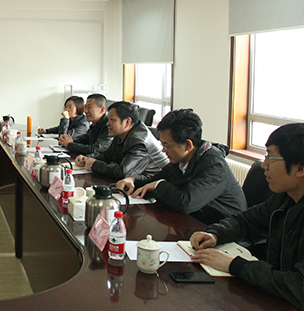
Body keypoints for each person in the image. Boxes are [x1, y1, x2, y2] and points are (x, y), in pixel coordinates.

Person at [189, 123, 304, 310]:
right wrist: (215, 234)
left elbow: (298, 287)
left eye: (271, 158)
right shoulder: (285, 197)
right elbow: (245, 221)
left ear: (299, 168)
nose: (264, 165)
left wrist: (235, 265)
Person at [116, 109, 247, 224]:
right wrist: (132, 180)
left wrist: (158, 185)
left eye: (167, 146)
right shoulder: (183, 158)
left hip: (223, 231)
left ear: (188, 145)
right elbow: (157, 179)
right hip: (194, 223)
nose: (163, 150)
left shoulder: (214, 166)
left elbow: (186, 203)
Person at [75, 101, 168, 180]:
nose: (107, 123)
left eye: (112, 119)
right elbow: (106, 155)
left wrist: (95, 164)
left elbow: (124, 172)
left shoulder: (138, 141)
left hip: (152, 186)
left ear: (127, 122)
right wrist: (86, 158)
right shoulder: (122, 133)